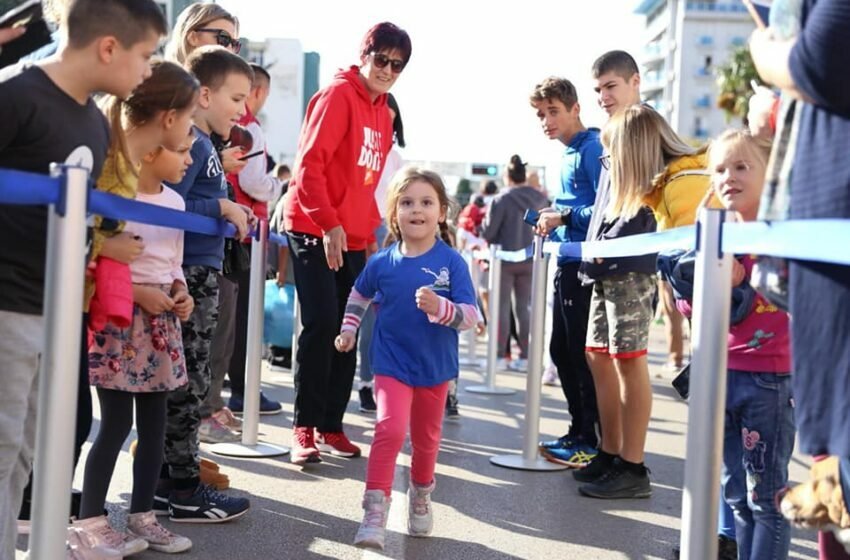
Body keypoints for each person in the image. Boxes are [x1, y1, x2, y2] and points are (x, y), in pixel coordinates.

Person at [0, 0, 166, 556]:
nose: (148, 70)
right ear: (109, 48)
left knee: (29, 456)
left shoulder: (95, 122)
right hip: (7, 308)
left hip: (57, 311)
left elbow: (85, 223)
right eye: (146, 55)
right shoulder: (14, 96)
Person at [283, 21, 411, 465]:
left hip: (354, 237)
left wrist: (368, 232)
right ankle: (303, 427)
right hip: (313, 228)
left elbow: (369, 184)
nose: (388, 70)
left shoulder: (382, 110)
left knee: (347, 332)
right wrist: (329, 224)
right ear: (365, 54)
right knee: (320, 326)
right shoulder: (338, 96)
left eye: (397, 65)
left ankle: (331, 424)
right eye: (382, 59)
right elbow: (309, 167)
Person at [749, 0, 850, 554]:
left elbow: (824, 61)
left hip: (837, 239)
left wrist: (768, 55)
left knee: (838, 454)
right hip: (825, 242)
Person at [334, 167, 477, 550]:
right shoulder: (381, 262)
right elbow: (358, 295)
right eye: (407, 202)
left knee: (427, 441)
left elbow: (471, 317)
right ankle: (374, 510)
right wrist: (349, 329)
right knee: (390, 429)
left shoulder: (452, 263)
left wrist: (441, 307)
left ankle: (421, 494)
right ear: (394, 213)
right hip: (391, 363)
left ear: (441, 212)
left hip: (435, 367)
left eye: (427, 202)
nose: (417, 210)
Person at [670, 129, 794, 559]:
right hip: (719, 375)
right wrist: (697, 285)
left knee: (767, 497)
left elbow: (794, 293)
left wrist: (748, 282)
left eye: (742, 166)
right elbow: (690, 308)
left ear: (769, 172)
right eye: (720, 169)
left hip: (768, 380)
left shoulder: (780, 234)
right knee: (735, 493)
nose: (729, 176)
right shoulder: (715, 231)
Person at [78, 131, 200, 557]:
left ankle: (143, 516)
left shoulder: (177, 203)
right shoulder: (115, 196)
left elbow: (174, 263)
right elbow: (96, 258)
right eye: (182, 151)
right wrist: (137, 293)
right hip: (119, 319)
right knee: (113, 424)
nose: (189, 160)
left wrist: (182, 294)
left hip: (162, 322)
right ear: (150, 152)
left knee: (155, 426)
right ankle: (90, 520)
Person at [153, 45, 255, 523]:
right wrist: (219, 208)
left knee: (191, 381)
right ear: (206, 94)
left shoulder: (204, 145)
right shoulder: (192, 143)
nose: (242, 109)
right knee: (189, 385)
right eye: (236, 98)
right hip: (188, 275)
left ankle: (167, 484)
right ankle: (185, 490)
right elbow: (163, 204)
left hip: (198, 273)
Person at [203, 63, 284, 443]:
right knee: (225, 327)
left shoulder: (230, 128)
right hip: (226, 241)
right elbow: (253, 181)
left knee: (228, 325)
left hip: (232, 235)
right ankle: (217, 403)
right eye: (236, 96)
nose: (242, 105)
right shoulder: (245, 128)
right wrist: (276, 186)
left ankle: (216, 403)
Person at [528, 76, 602, 467]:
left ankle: (588, 438)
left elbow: (606, 209)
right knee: (561, 350)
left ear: (575, 108)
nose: (546, 120)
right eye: (541, 114)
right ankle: (580, 431)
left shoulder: (592, 148)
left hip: (587, 267)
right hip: (567, 262)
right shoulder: (567, 152)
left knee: (576, 353)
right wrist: (552, 217)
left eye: (553, 111)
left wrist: (565, 215)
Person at [357, 92, 406, 414]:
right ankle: (365, 381)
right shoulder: (362, 150)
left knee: (390, 312)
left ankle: (386, 381)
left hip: (390, 234)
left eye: (388, 119)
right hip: (363, 231)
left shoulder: (398, 159)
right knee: (364, 311)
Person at [480, 154, 548, 372]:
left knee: (500, 307)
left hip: (505, 258)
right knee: (524, 308)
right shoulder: (539, 198)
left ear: (508, 176)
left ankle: (500, 356)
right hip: (531, 258)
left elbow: (489, 231)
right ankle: (526, 357)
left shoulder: (501, 199)